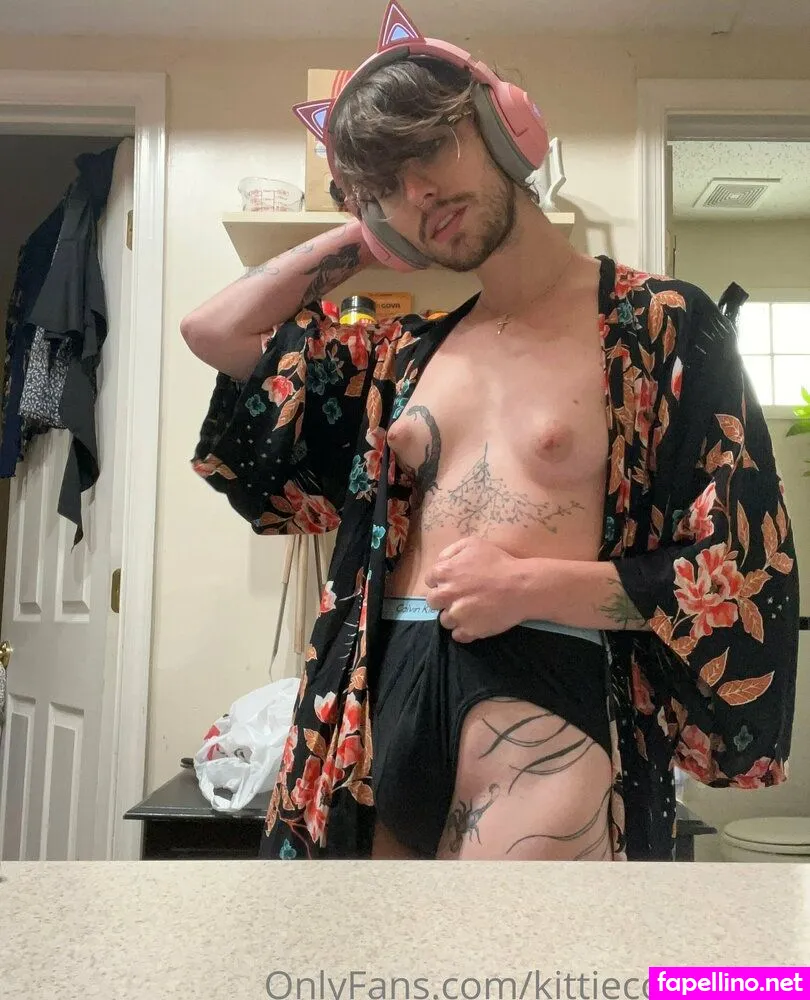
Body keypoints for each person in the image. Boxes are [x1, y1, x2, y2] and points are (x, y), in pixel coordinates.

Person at [182, 1, 799, 862]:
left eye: (430, 149)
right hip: (376, 706)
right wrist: (363, 235)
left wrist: (533, 586)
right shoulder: (401, 357)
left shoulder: (657, 325)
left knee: (517, 943)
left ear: (504, 126)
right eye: (388, 186)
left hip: (544, 700)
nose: (418, 192)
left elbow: (736, 574)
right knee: (364, 947)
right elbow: (217, 332)